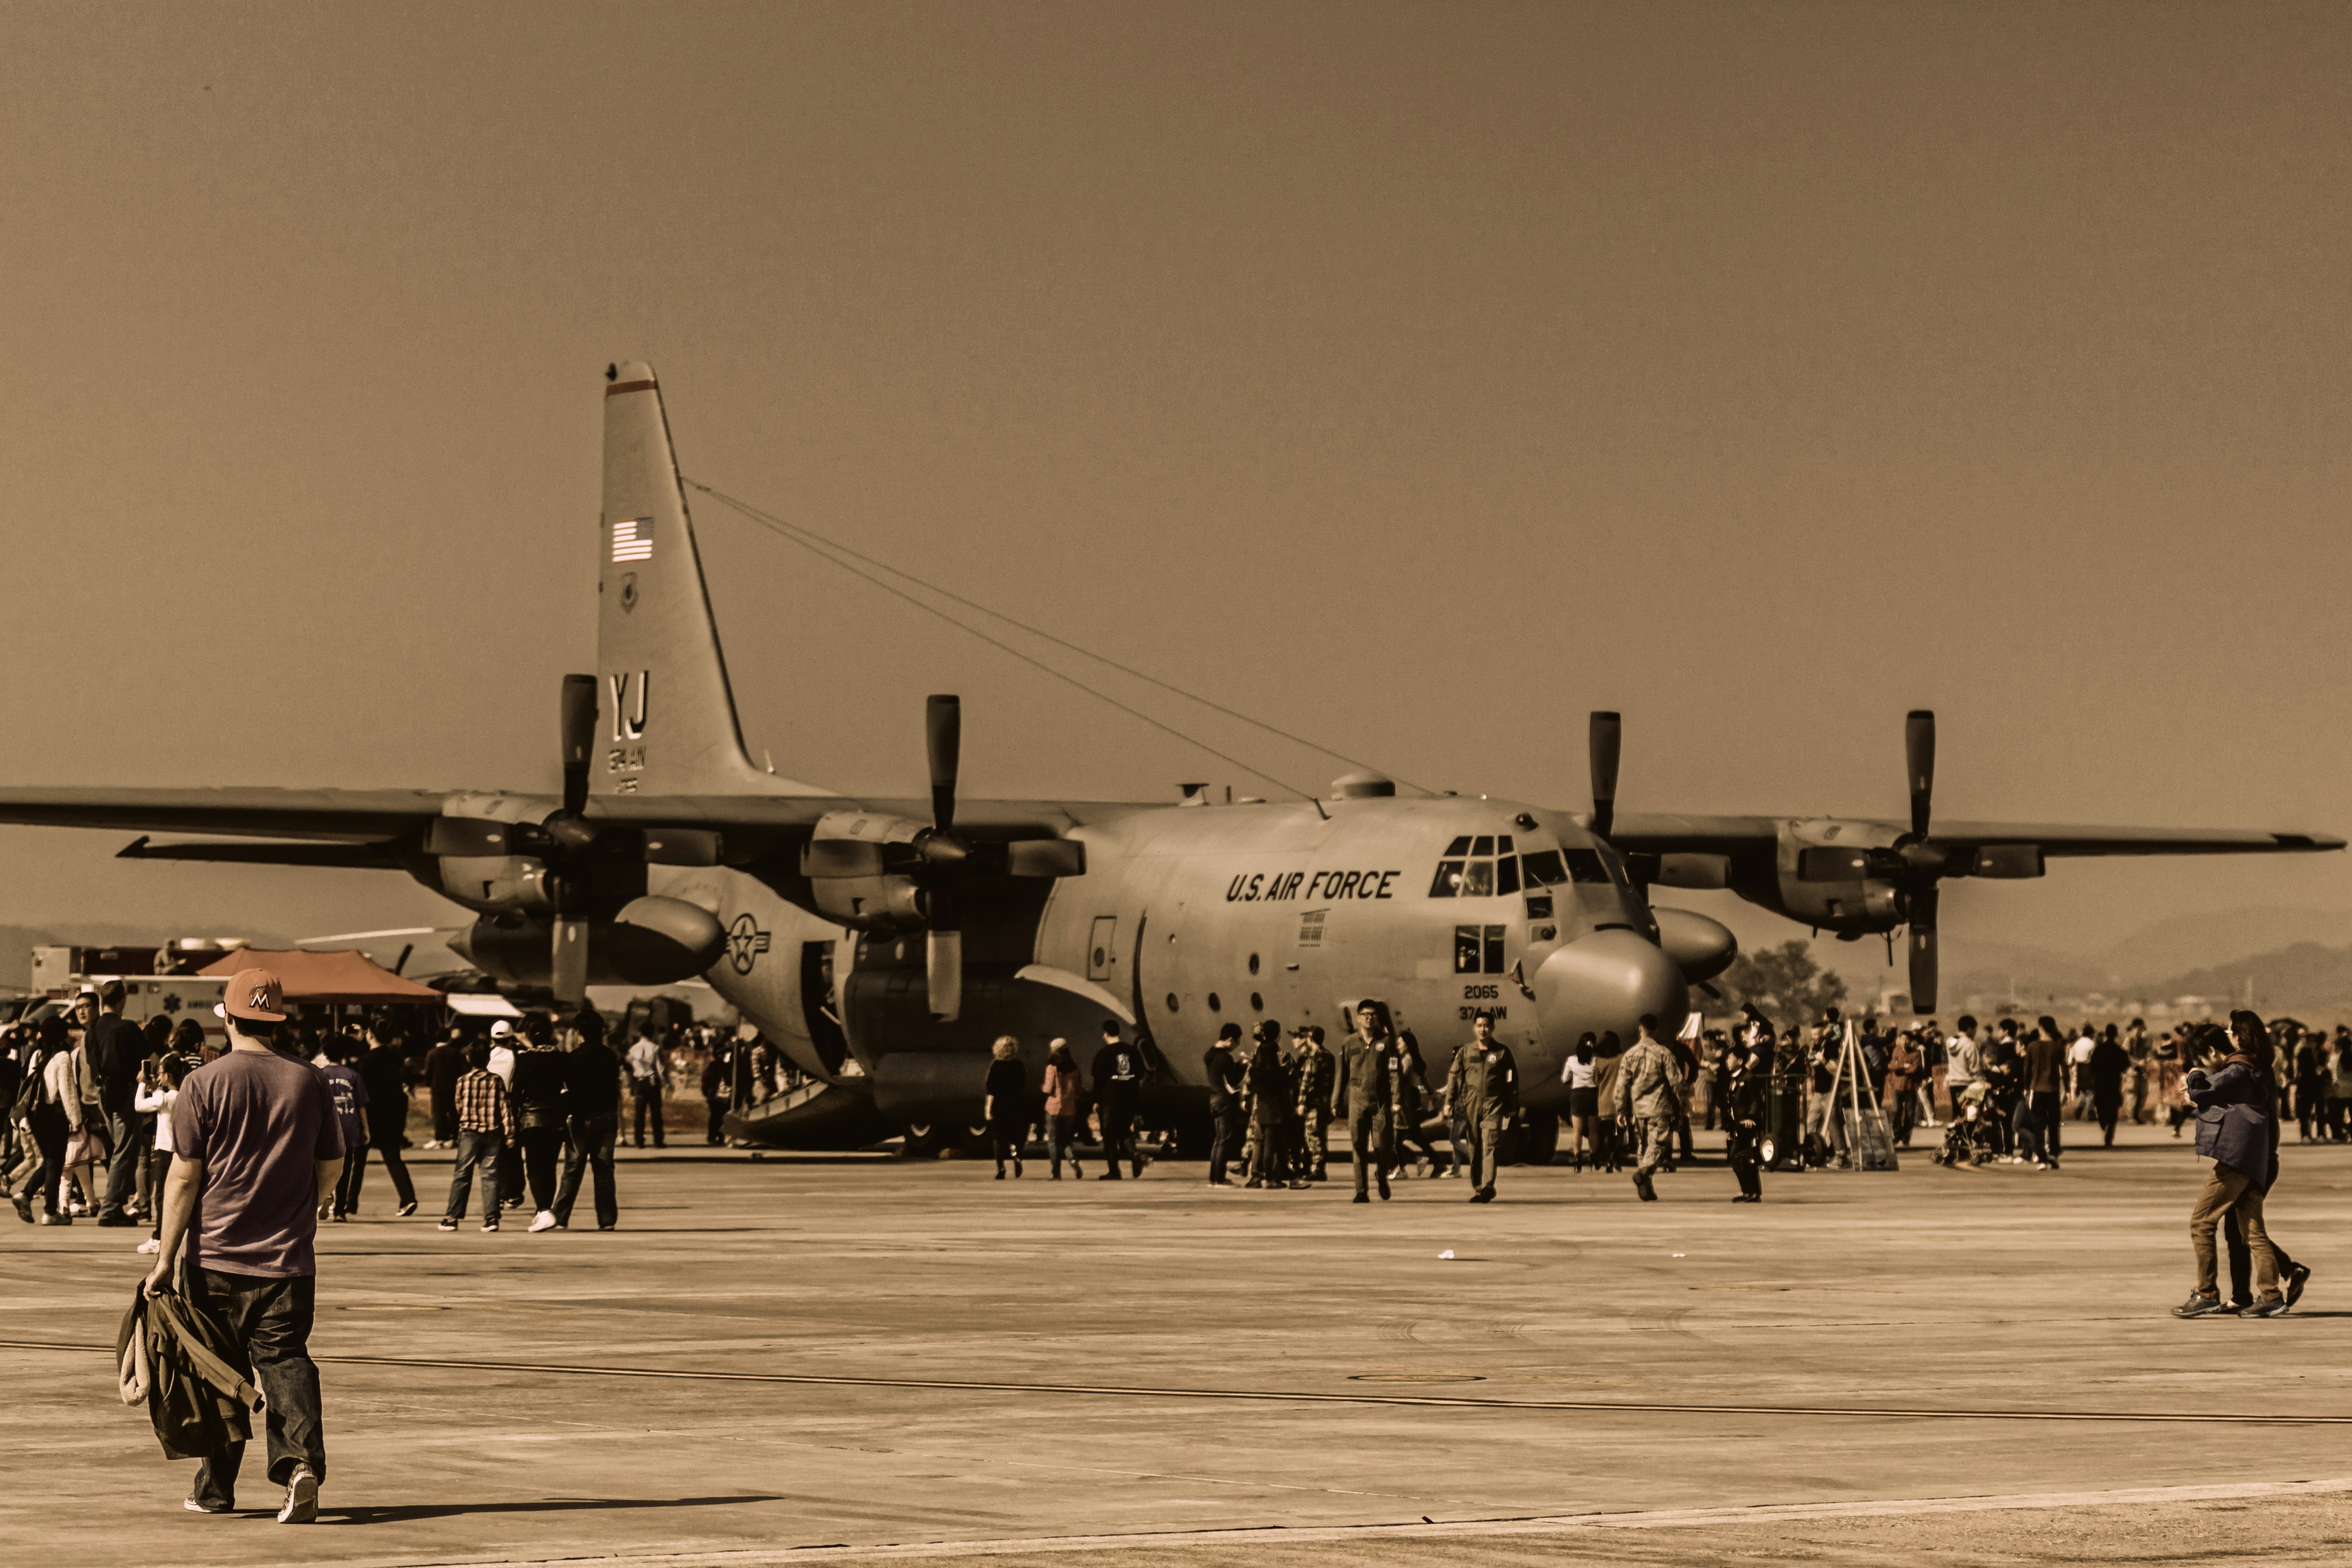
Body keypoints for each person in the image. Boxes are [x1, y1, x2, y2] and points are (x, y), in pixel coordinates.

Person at [144, 967, 343, 1523]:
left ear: (227, 1017)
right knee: (285, 1361)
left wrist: (164, 1258)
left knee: (217, 1372)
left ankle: (215, 1491)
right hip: (288, 1261)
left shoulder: (204, 1084)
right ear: (275, 1019)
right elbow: (333, 1163)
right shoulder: (309, 1081)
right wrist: (309, 1205)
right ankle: (300, 1466)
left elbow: (184, 1176)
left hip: (214, 1260)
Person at [2174, 1010, 2286, 1318]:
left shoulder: (2238, 1069)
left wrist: (2195, 1072)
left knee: (2201, 1222)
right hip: (2257, 1159)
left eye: (2231, 1031)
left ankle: (2207, 1293)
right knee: (2253, 1231)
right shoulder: (2261, 1069)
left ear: (2240, 1037)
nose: (2228, 1035)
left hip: (2236, 1160)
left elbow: (2202, 1091)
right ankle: (2271, 1295)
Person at [551, 1010, 621, 1231]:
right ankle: (607, 1219)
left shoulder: (573, 1058)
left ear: (579, 1033)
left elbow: (568, 1090)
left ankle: (560, 1217)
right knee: (604, 1170)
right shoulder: (610, 1057)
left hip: (581, 1118)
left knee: (572, 1170)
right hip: (608, 1118)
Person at [88, 979, 150, 1227]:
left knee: (119, 1150)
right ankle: (111, 1209)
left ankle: (116, 1205)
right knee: (125, 1153)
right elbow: (147, 1059)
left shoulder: (93, 1029)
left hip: (103, 1093)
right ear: (122, 1000)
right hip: (125, 1093)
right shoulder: (127, 1028)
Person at [436, 1041, 512, 1232]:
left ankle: (453, 1218)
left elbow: (459, 1106)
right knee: (490, 1175)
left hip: (470, 1132)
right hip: (492, 1132)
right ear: (488, 1059)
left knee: (462, 1175)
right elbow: (505, 1109)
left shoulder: (463, 1080)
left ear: (468, 1058)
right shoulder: (496, 1081)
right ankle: (492, 1218)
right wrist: (510, 1134)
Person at [1444, 1011, 1518, 1202]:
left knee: (1490, 1146)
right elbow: (1455, 1076)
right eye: (1479, 1026)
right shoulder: (1466, 1052)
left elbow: (1511, 1080)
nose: (1483, 1030)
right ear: (1474, 1028)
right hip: (1472, 1107)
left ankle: (1487, 1186)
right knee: (1475, 1146)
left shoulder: (1502, 1052)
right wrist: (1449, 1102)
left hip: (1493, 1106)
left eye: (1486, 1026)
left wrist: (1512, 1104)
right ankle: (1478, 1187)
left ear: (1493, 1028)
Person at [1332, 1000, 1401, 1203]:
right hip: (1357, 1101)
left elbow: (1395, 1072)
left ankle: (1382, 1174)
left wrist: (1396, 1099)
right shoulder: (1350, 1043)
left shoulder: (1387, 1042)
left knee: (1383, 1146)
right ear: (1359, 1018)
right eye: (1366, 1014)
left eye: (1373, 1014)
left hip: (1381, 1102)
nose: (1370, 1017)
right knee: (1359, 1146)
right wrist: (1336, 1101)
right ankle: (1361, 1191)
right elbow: (1342, 1074)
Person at [350, 1018, 418, 1217]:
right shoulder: (396, 1058)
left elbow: (361, 1092)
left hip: (370, 1115)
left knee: (358, 1161)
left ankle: (350, 1202)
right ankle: (408, 1198)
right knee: (393, 1157)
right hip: (393, 1115)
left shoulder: (366, 1061)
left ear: (370, 1035)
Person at [510, 1017, 570, 1230]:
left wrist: (511, 1120)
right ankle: (545, 1211)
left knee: (534, 1167)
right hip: (556, 1120)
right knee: (550, 1167)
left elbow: (515, 1093)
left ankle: (543, 1210)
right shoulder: (562, 1058)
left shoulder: (525, 1060)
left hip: (531, 1119)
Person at [1620, 1014, 1686, 1201]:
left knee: (1643, 1146)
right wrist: (1684, 1103)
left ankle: (1647, 1186)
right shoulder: (1663, 1053)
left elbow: (1622, 1085)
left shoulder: (1630, 1055)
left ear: (1640, 1029)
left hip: (1638, 1109)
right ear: (1655, 1030)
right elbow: (1677, 1082)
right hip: (1659, 1107)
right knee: (1658, 1145)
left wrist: (1621, 1110)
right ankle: (1644, 1172)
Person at [133, 1051, 193, 1253]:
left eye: (160, 1073)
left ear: (168, 1076)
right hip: (179, 1151)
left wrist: (143, 1084)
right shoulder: (183, 1095)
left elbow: (139, 1105)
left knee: (160, 1197)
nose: (158, 1077)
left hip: (165, 1152)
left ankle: (158, 1237)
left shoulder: (165, 1098)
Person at [313, 1037, 369, 1221]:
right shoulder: (353, 1075)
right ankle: (339, 1210)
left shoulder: (319, 1075)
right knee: (345, 1169)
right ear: (344, 1054)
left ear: (325, 1054)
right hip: (350, 1127)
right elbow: (361, 1104)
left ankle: (325, 1197)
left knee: (322, 1166)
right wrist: (366, 1129)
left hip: (326, 1130)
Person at [1089, 1021, 1146, 1180]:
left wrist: (1095, 1100)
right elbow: (1141, 1073)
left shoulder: (1103, 1054)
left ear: (1105, 1034)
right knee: (1124, 1129)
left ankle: (1114, 1171)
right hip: (1130, 1097)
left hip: (1110, 1098)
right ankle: (1135, 1154)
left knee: (1109, 1135)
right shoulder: (1133, 1052)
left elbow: (1099, 1079)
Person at [1240, 1023, 1295, 1189]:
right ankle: (1272, 1177)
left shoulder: (1256, 1056)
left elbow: (1249, 1079)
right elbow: (1289, 1080)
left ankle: (1257, 1176)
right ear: (1278, 1035)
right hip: (1275, 1105)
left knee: (1259, 1142)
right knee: (1273, 1143)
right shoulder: (1279, 1055)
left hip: (1260, 1104)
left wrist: (1245, 1097)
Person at [1394, 1029, 1447, 1177]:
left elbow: (1400, 1080)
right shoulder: (1416, 1059)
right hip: (1414, 1099)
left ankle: (1403, 1166)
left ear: (1407, 1045)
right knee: (1416, 1136)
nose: (1398, 1047)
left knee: (1395, 1138)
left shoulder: (1406, 1060)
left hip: (1406, 1100)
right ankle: (1438, 1163)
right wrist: (1433, 1094)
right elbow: (1425, 1081)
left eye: (1400, 1044)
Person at [1722, 1034, 1765, 1202]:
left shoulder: (1749, 1079)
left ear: (1740, 1061)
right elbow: (1730, 1106)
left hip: (1747, 1124)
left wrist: (1751, 1118)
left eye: (1730, 1058)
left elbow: (1757, 1101)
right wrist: (1729, 1127)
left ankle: (1753, 1192)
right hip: (1737, 1125)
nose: (1727, 1061)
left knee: (1738, 1156)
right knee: (1741, 1158)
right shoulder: (1734, 1079)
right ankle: (1748, 1192)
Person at [1289, 1025, 1334, 1182]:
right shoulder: (1329, 1055)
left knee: (1312, 1135)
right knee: (1321, 1135)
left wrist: (1301, 1102)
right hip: (1324, 1102)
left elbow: (1307, 1082)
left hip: (1314, 1103)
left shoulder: (1315, 1057)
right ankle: (1319, 1167)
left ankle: (1319, 1168)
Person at [1202, 1023, 1243, 1187]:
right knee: (1225, 1140)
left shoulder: (1210, 1055)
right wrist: (1242, 1065)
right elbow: (1233, 1080)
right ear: (1230, 1040)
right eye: (1237, 1043)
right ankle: (1220, 1179)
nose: (1236, 1046)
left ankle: (1214, 1178)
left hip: (1214, 1100)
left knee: (1218, 1140)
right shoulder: (1224, 1057)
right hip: (1226, 1101)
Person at [2022, 1016, 2066, 1170]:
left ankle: (2041, 1158)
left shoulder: (2032, 1047)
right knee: (2054, 1124)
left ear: (2040, 1028)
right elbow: (2064, 1070)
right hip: (2053, 1090)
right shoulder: (2058, 1046)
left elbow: (2027, 1070)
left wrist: (2026, 1087)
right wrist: (2066, 1089)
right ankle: (2053, 1153)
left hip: (2037, 1089)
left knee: (2038, 1125)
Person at [1041, 1037, 1086, 1179]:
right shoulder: (1075, 1069)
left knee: (1053, 1141)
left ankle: (1056, 1173)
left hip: (1053, 1109)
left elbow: (1048, 1089)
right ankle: (1072, 1159)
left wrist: (1042, 1088)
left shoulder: (1052, 1068)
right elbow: (1079, 1091)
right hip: (1070, 1110)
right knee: (1066, 1140)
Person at [983, 1036, 1028, 1179]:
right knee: (1016, 1135)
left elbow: (991, 1090)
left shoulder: (996, 1066)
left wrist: (988, 1108)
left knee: (999, 1138)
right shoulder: (1019, 1066)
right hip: (1016, 1104)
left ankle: (1001, 1168)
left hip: (1000, 1106)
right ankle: (1015, 1152)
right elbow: (1022, 1087)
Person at [1561, 1032, 1600, 1172]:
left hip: (1577, 1094)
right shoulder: (1596, 1060)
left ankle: (1577, 1156)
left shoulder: (1571, 1060)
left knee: (1577, 1129)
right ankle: (1594, 1156)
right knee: (1593, 1129)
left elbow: (1565, 1079)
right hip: (1592, 1094)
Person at [625, 1027, 667, 1149]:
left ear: (640, 1033)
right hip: (652, 1082)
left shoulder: (633, 1049)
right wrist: (667, 1083)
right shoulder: (655, 1048)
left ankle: (639, 1140)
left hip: (639, 1082)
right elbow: (660, 1068)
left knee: (639, 1113)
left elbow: (629, 1062)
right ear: (652, 1034)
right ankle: (658, 1140)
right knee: (656, 1113)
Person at [2089, 1026, 2131, 1148]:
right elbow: (2125, 1066)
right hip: (2114, 1082)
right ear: (2116, 1034)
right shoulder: (2120, 1051)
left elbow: (2092, 1066)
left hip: (2101, 1082)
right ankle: (2110, 1134)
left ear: (2106, 1034)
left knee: (2101, 1106)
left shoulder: (2099, 1050)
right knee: (2113, 1110)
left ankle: (2104, 1125)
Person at [423, 1031, 464, 1149]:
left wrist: (428, 1083)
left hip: (437, 1088)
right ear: (448, 1038)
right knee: (453, 1113)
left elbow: (428, 1071)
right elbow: (460, 1070)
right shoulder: (455, 1053)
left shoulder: (432, 1053)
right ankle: (455, 1136)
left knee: (439, 1114)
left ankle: (441, 1137)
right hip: (453, 1087)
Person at [1883, 1030, 1922, 1149]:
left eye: (1907, 1040)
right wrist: (1903, 1066)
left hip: (1910, 1088)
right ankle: (1896, 1134)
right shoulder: (1897, 1051)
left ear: (1911, 1041)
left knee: (1910, 1114)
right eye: (1903, 1039)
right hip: (1898, 1087)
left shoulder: (1916, 1054)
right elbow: (1892, 1066)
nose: (1905, 1042)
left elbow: (1914, 1069)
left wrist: (1901, 1069)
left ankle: (1906, 1137)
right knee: (1896, 1111)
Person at [700, 1044, 731, 1145]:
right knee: (716, 1117)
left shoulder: (725, 1066)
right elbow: (706, 1082)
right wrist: (708, 1092)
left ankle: (720, 1136)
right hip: (715, 1096)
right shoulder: (715, 1066)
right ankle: (713, 1136)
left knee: (721, 1117)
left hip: (722, 1095)